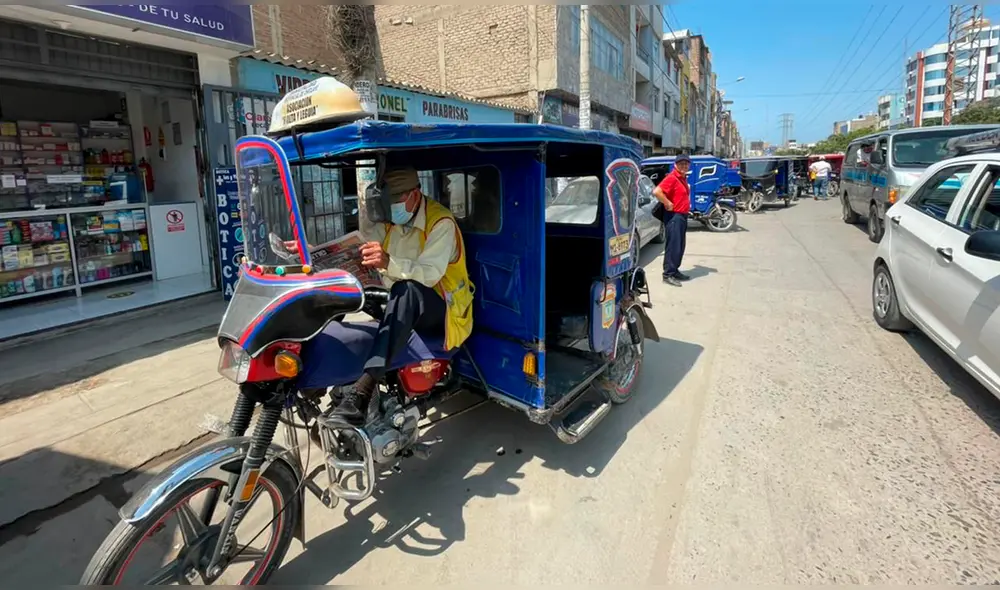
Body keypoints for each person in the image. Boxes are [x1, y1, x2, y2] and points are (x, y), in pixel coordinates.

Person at [333, 167, 473, 424]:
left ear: (414, 195)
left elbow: (428, 275)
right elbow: (365, 246)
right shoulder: (390, 220)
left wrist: (387, 261)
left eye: (396, 201)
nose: (391, 208)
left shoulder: (441, 223)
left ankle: (363, 389)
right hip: (400, 300)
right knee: (347, 286)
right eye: (388, 202)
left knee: (407, 290)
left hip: (442, 309)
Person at [653, 154, 691, 287]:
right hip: (674, 216)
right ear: (675, 165)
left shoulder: (682, 178)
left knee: (680, 246)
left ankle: (674, 271)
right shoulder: (672, 178)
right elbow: (657, 191)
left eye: (686, 164)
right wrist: (667, 202)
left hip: (682, 216)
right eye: (681, 164)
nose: (684, 166)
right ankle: (668, 274)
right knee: (673, 246)